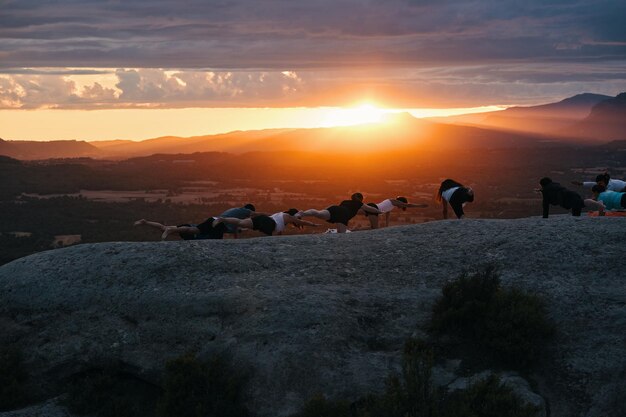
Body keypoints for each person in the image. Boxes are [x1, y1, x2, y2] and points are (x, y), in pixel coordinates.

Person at [296, 193, 381, 233]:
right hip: (343, 215)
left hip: (334, 208)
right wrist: (380, 211)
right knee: (341, 235)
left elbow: (339, 209)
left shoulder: (345, 201)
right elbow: (370, 209)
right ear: (360, 199)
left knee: (318, 213)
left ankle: (302, 213)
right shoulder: (359, 203)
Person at [216, 209, 319, 236]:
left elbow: (279, 230)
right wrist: (313, 224)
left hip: (264, 219)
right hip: (268, 223)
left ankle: (222, 219)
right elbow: (302, 222)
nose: (298, 218)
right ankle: (222, 220)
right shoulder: (288, 217)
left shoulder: (280, 214)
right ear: (293, 214)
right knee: (269, 234)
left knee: (240, 222)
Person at [134, 217, 227, 240]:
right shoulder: (192, 235)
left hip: (215, 222)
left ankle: (145, 222)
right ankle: (170, 230)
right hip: (216, 223)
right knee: (193, 230)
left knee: (163, 228)